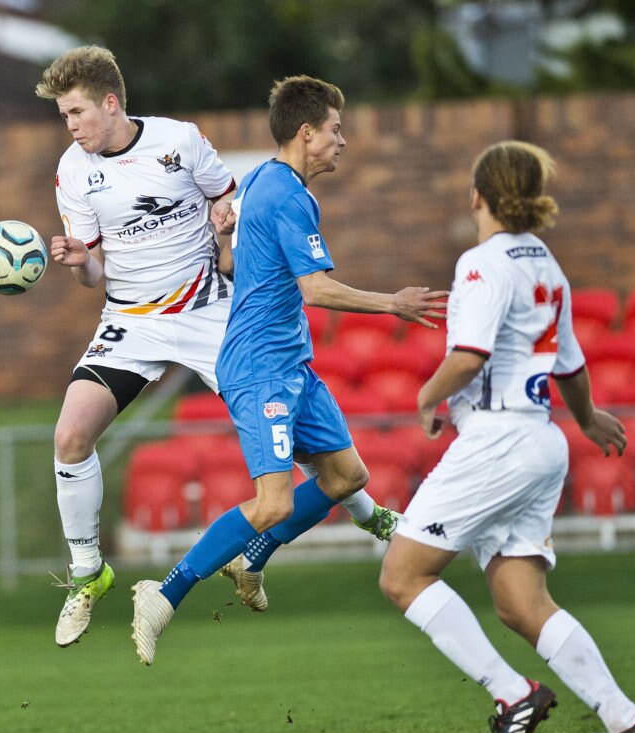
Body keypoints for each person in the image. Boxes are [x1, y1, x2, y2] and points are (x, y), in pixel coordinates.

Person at [35, 47, 398, 649]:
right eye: (63, 117)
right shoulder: (73, 171)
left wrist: (224, 229)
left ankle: (369, 511)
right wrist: (80, 262)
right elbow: (92, 272)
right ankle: (86, 574)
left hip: (207, 307)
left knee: (286, 410)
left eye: (75, 112)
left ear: (110, 101)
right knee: (71, 436)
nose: (70, 126)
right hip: (130, 317)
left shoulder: (180, 142)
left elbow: (225, 205)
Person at [378, 141, 635, 733]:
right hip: (540, 441)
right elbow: (567, 361)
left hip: (497, 440)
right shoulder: (547, 263)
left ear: (476, 196)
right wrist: (589, 417)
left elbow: (471, 353)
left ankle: (512, 694)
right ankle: (629, 719)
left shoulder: (481, 265)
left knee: (402, 575)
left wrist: (427, 396)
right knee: (520, 602)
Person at [130, 75, 449, 665]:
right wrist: (393, 304)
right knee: (272, 502)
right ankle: (163, 592)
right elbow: (315, 288)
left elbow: (232, 263)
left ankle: (250, 556)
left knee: (346, 476)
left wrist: (225, 240)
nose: (342, 142)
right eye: (335, 130)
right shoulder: (286, 195)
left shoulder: (260, 184)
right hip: (259, 367)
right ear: (307, 133)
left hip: (291, 364)